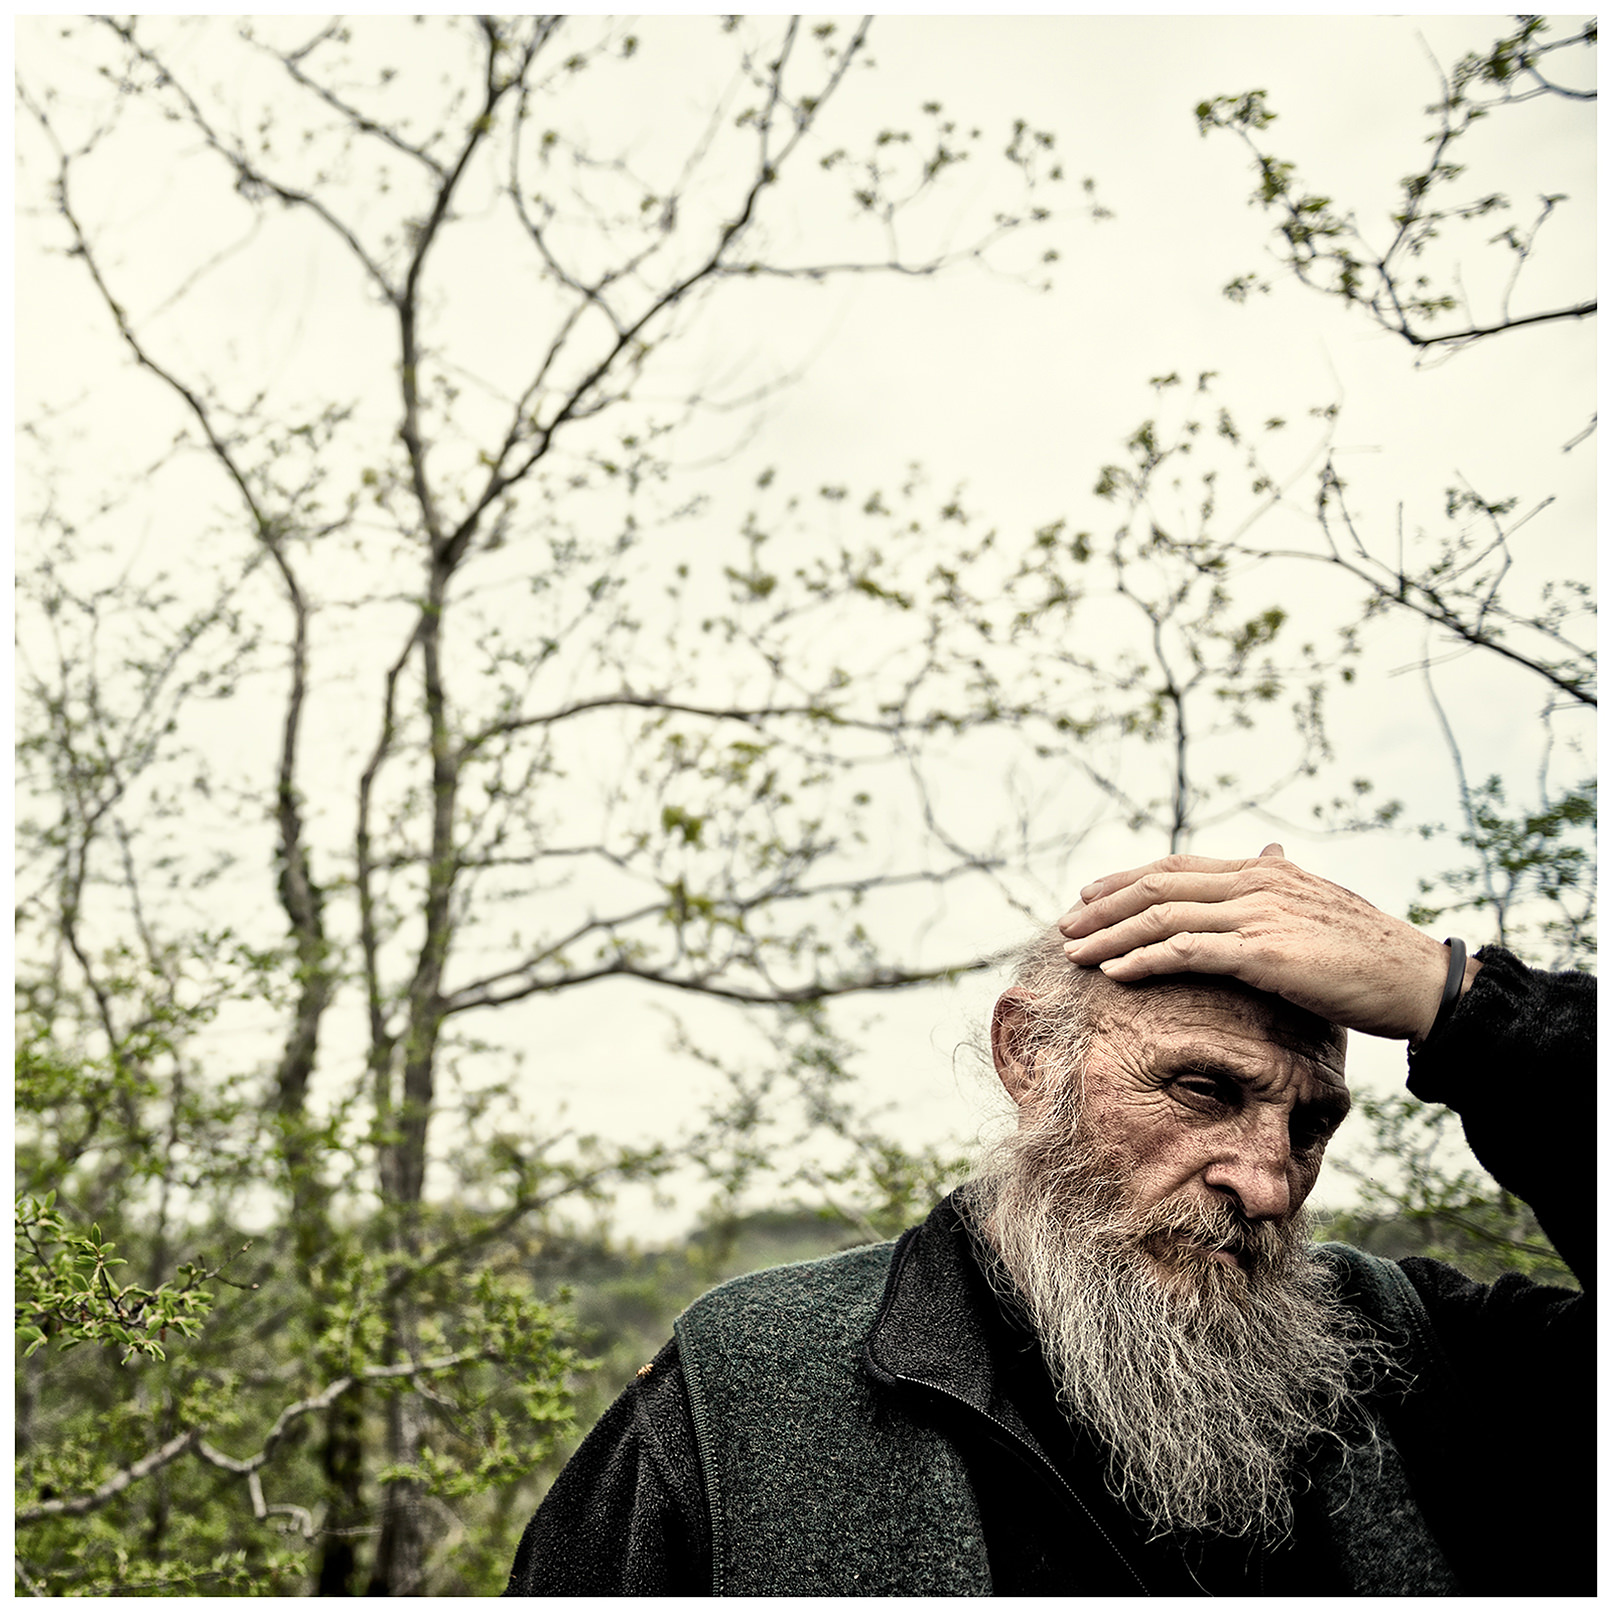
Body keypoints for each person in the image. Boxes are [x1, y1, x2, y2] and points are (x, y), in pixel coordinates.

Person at [504, 846, 1594, 1596]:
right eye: (1203, 1091)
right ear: (1030, 1057)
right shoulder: (746, 1389)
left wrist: (1474, 1011)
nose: (1268, 1185)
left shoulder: (1418, 1359)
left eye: (1309, 1122)